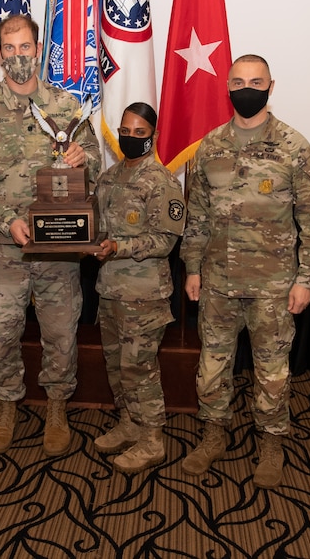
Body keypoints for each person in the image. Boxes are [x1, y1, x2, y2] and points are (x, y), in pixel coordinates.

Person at [180, 54, 310, 489]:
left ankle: (271, 440)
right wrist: (192, 268)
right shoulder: (209, 147)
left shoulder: (294, 147)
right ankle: (214, 433)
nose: (247, 87)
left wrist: (307, 279)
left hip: (273, 285)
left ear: (270, 86)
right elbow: (197, 218)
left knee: (271, 370)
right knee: (212, 365)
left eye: (256, 80)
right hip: (218, 283)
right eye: (239, 81)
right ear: (226, 87)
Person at [0, 14, 101, 457]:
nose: (18, 56)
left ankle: (56, 404)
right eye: (9, 48)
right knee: (1, 329)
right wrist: (6, 219)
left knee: (61, 328)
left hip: (58, 246)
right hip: (5, 249)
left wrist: (83, 159)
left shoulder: (67, 107)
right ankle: (6, 403)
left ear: (38, 49)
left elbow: (94, 168)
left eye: (25, 47)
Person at [90, 102, 185, 474]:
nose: (130, 138)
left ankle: (151, 440)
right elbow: (97, 228)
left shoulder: (162, 181)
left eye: (139, 133)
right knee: (116, 366)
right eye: (125, 132)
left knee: (139, 369)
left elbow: (165, 241)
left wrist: (119, 247)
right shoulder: (109, 178)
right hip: (109, 291)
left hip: (144, 296)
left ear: (154, 136)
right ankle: (129, 423)